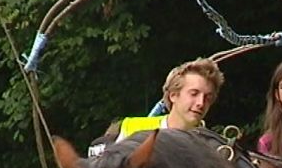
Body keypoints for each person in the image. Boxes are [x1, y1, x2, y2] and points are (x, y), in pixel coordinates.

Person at [88, 57, 225, 156]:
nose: (201, 102)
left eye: (208, 97)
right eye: (194, 93)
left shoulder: (210, 147)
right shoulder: (132, 129)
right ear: (173, 95)